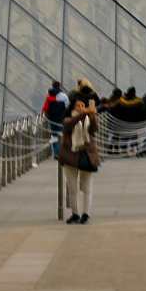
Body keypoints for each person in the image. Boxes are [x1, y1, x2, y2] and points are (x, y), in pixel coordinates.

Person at [58, 89, 100, 225]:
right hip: (70, 155)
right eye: (78, 106)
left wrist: (92, 115)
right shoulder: (67, 118)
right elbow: (69, 124)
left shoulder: (88, 117)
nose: (81, 108)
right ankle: (75, 213)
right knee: (72, 187)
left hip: (87, 154)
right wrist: (83, 114)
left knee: (87, 186)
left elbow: (94, 129)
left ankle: (86, 213)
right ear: (72, 106)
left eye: (83, 105)